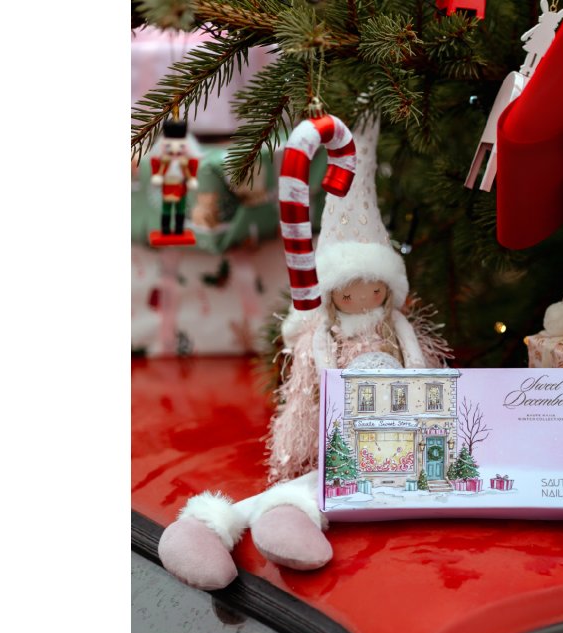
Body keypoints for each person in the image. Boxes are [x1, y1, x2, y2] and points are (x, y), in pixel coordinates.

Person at [158, 116, 449, 590]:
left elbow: (417, 365)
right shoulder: (325, 336)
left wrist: (423, 407)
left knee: (345, 480)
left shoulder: (396, 326)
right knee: (332, 475)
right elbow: (318, 378)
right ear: (334, 296)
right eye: (349, 292)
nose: (363, 298)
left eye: (374, 289)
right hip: (349, 425)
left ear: (388, 288)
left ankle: (271, 514)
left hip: (400, 428)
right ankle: (211, 524)